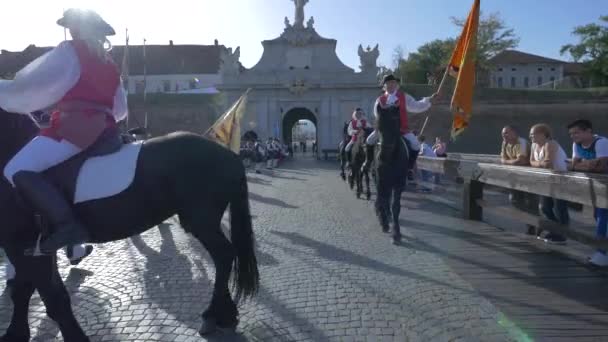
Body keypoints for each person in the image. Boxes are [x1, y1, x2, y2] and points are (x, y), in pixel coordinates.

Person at [0, 8, 128, 253]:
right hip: (106, 130)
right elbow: (120, 109)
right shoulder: (109, 63)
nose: (69, 30)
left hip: (74, 129)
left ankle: (67, 225)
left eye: (71, 26)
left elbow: (28, 87)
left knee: (14, 169)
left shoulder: (70, 51)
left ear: (77, 28)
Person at [568, 119, 608, 266]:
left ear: (588, 131)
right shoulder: (576, 145)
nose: (573, 136)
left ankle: (602, 253)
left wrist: (584, 164)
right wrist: (590, 164)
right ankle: (602, 252)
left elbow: (602, 167)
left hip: (604, 185)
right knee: (598, 215)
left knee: (603, 217)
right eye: (571, 134)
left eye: (576, 132)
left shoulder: (601, 142)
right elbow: (573, 166)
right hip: (599, 187)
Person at [367, 74, 438, 155]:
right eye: (388, 83)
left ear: (396, 84)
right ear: (384, 86)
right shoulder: (379, 100)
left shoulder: (404, 97)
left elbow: (416, 106)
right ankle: (368, 162)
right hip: (385, 130)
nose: (391, 85)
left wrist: (429, 100)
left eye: (393, 83)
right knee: (369, 140)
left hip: (401, 129)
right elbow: (377, 115)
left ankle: (410, 165)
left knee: (416, 145)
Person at [529, 124, 569, 245]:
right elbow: (531, 162)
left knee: (559, 207)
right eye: (530, 134)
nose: (530, 136)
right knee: (545, 207)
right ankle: (555, 230)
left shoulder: (550, 144)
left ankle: (562, 234)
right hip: (547, 180)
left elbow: (548, 163)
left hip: (561, 179)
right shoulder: (534, 145)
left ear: (543, 134)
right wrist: (540, 163)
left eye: (533, 133)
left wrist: (539, 163)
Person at [500, 125, 539, 235]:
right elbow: (502, 159)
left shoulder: (521, 142)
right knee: (514, 200)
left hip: (529, 177)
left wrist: (508, 161)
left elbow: (521, 161)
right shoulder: (505, 143)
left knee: (531, 201)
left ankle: (535, 225)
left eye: (506, 133)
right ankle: (531, 221)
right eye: (503, 133)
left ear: (515, 133)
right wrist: (511, 161)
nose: (504, 135)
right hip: (515, 176)